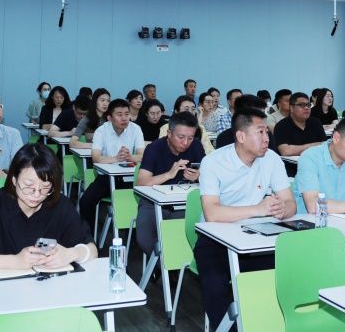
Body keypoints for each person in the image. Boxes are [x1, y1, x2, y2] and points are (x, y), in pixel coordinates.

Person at [195, 108, 296, 326]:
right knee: (215, 284)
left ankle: (274, 324)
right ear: (241, 136)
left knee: (290, 273)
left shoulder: (272, 159)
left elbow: (290, 203)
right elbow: (212, 213)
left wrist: (282, 209)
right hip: (216, 240)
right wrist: (257, 209)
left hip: (259, 236)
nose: (266, 138)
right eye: (260, 132)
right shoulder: (213, 162)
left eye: (267, 132)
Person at [0, 143, 96, 270]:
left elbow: (92, 249)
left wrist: (71, 254)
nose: (36, 194)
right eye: (29, 185)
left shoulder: (60, 205)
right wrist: (15, 261)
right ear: (14, 179)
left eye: (45, 187)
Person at [134, 112, 205, 256]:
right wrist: (168, 174)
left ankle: (175, 262)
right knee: (145, 237)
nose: (185, 142)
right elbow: (141, 183)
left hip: (184, 203)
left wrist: (199, 176)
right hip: (153, 202)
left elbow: (209, 177)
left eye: (190, 138)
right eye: (181, 137)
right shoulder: (154, 148)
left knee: (182, 233)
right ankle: (163, 264)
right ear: (169, 133)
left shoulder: (196, 146)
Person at [79, 99, 146, 229]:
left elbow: (142, 155)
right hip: (106, 178)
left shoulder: (135, 129)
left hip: (130, 178)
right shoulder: (101, 131)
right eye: (119, 114)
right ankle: (88, 236)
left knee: (143, 202)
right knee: (86, 201)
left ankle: (133, 234)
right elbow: (96, 158)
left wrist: (130, 157)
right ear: (109, 117)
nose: (124, 118)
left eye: (127, 114)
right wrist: (116, 158)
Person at [274, 92, 328, 156]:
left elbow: (325, 145)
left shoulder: (316, 122)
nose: (306, 108)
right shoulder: (281, 126)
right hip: (293, 162)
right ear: (291, 108)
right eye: (302, 105)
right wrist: (314, 145)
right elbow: (286, 151)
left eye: (308, 105)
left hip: (316, 160)